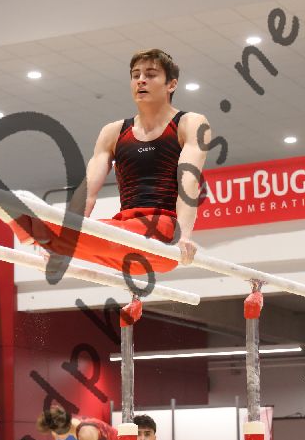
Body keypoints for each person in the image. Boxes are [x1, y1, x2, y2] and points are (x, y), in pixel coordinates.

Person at [13, 49, 210, 274]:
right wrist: (67, 236)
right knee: (92, 233)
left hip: (162, 234)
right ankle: (49, 237)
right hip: (123, 241)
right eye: (135, 75)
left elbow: (188, 182)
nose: (141, 80)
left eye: (150, 74)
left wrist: (184, 237)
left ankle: (36, 229)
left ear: (171, 85)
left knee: (78, 235)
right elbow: (88, 192)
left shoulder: (189, 123)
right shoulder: (113, 132)